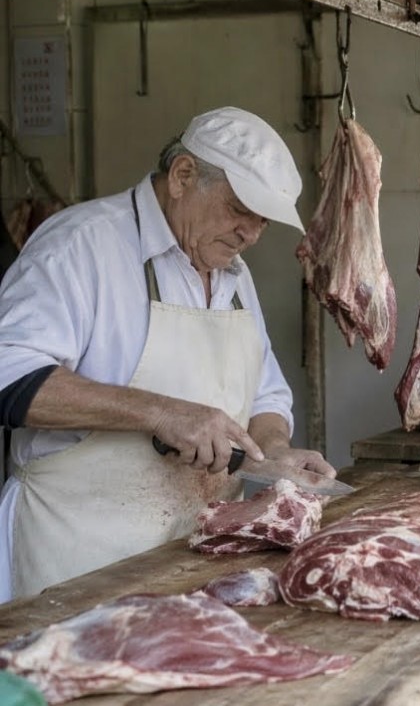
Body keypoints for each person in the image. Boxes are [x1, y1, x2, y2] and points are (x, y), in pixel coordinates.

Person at [0, 106, 335, 601]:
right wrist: (159, 412)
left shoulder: (234, 276)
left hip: (198, 561)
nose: (252, 234)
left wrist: (274, 451)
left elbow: (265, 393)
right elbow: (10, 375)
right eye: (241, 210)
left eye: (263, 220)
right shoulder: (81, 246)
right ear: (183, 176)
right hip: (78, 566)